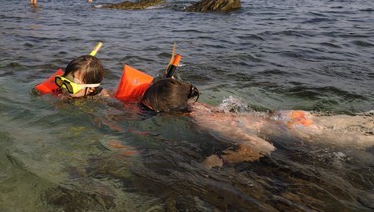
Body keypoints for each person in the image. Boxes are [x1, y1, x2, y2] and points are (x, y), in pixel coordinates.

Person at [140, 78, 374, 168]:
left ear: (169, 111)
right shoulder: (198, 105)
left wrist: (218, 160)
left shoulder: (204, 121)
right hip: (290, 116)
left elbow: (264, 147)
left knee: (363, 140)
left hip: (294, 129)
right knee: (365, 121)